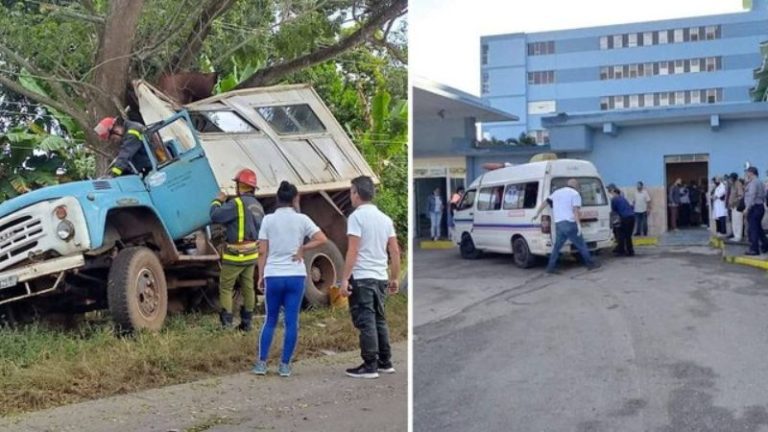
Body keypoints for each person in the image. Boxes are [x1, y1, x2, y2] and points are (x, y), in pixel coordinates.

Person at [252, 181, 327, 377]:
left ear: (277, 199)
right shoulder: (302, 219)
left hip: (273, 275)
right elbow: (322, 239)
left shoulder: (268, 220)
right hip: (295, 275)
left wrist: (261, 276)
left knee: (270, 320)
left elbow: (262, 251)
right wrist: (303, 248)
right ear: (296, 199)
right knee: (292, 322)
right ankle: (284, 365)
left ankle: (261, 363)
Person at [340, 176, 401, 379]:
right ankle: (385, 361)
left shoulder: (356, 217)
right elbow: (394, 250)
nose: (351, 195)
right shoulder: (385, 219)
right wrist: (394, 277)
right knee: (379, 319)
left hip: (362, 276)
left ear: (357, 194)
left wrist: (345, 278)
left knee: (366, 321)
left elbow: (353, 250)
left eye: (351, 191)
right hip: (380, 276)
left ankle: (369, 365)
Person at [210, 168, 264, 330]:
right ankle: (247, 323)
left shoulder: (237, 203)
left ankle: (226, 323)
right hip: (251, 254)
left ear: (241, 186)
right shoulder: (257, 205)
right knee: (248, 286)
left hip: (236, 254)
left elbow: (216, 216)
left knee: (226, 287)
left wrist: (217, 201)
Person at [532, 178, 600, 274]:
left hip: (559, 224)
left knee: (556, 248)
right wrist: (578, 225)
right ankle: (590, 265)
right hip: (570, 223)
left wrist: (537, 213)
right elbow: (575, 211)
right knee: (581, 245)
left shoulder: (557, 192)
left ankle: (550, 268)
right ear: (576, 186)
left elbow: (545, 202)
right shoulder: (575, 194)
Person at [744, 167, 768, 255]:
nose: (746, 174)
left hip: (754, 207)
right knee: (758, 228)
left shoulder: (754, 182)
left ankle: (754, 249)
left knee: (753, 229)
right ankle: (765, 245)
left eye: (747, 172)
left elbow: (752, 196)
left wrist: (747, 208)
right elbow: (764, 194)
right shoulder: (760, 182)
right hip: (760, 206)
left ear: (751, 173)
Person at [608, 185, 635, 256]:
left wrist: (613, 224)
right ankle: (630, 251)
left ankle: (621, 251)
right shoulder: (623, 198)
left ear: (614, 192)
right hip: (632, 217)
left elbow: (614, 212)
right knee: (628, 235)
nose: (610, 194)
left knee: (620, 235)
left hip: (625, 218)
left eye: (610, 192)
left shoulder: (614, 199)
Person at [727, 173, 745, 242]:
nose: (729, 180)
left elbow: (741, 196)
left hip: (738, 206)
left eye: (730, 178)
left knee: (738, 221)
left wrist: (734, 201)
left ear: (733, 178)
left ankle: (738, 236)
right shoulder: (732, 185)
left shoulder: (738, 184)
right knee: (734, 221)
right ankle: (735, 235)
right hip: (732, 206)